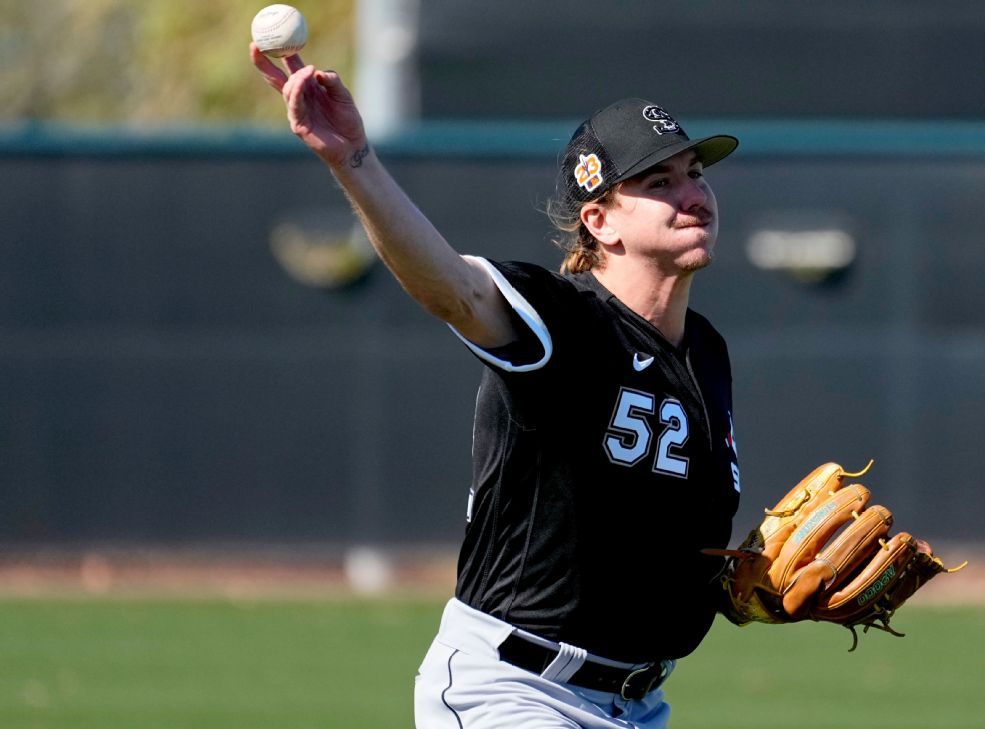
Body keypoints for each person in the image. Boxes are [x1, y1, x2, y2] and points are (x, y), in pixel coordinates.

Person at [252, 45, 742, 728]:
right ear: (599, 221)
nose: (693, 192)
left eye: (694, 172)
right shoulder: (565, 320)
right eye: (658, 182)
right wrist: (353, 161)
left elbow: (659, 534)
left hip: (639, 704)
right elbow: (453, 289)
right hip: (516, 691)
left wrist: (749, 585)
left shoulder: (706, 355)